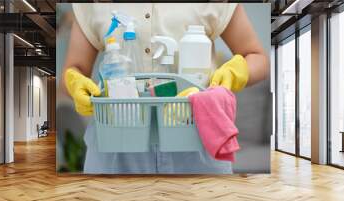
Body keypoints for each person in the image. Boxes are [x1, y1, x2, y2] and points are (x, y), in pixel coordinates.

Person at [62, 3, 269, 174]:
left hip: (195, 136)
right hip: (116, 139)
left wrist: (236, 73)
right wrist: (75, 82)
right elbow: (74, 68)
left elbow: (258, 58)